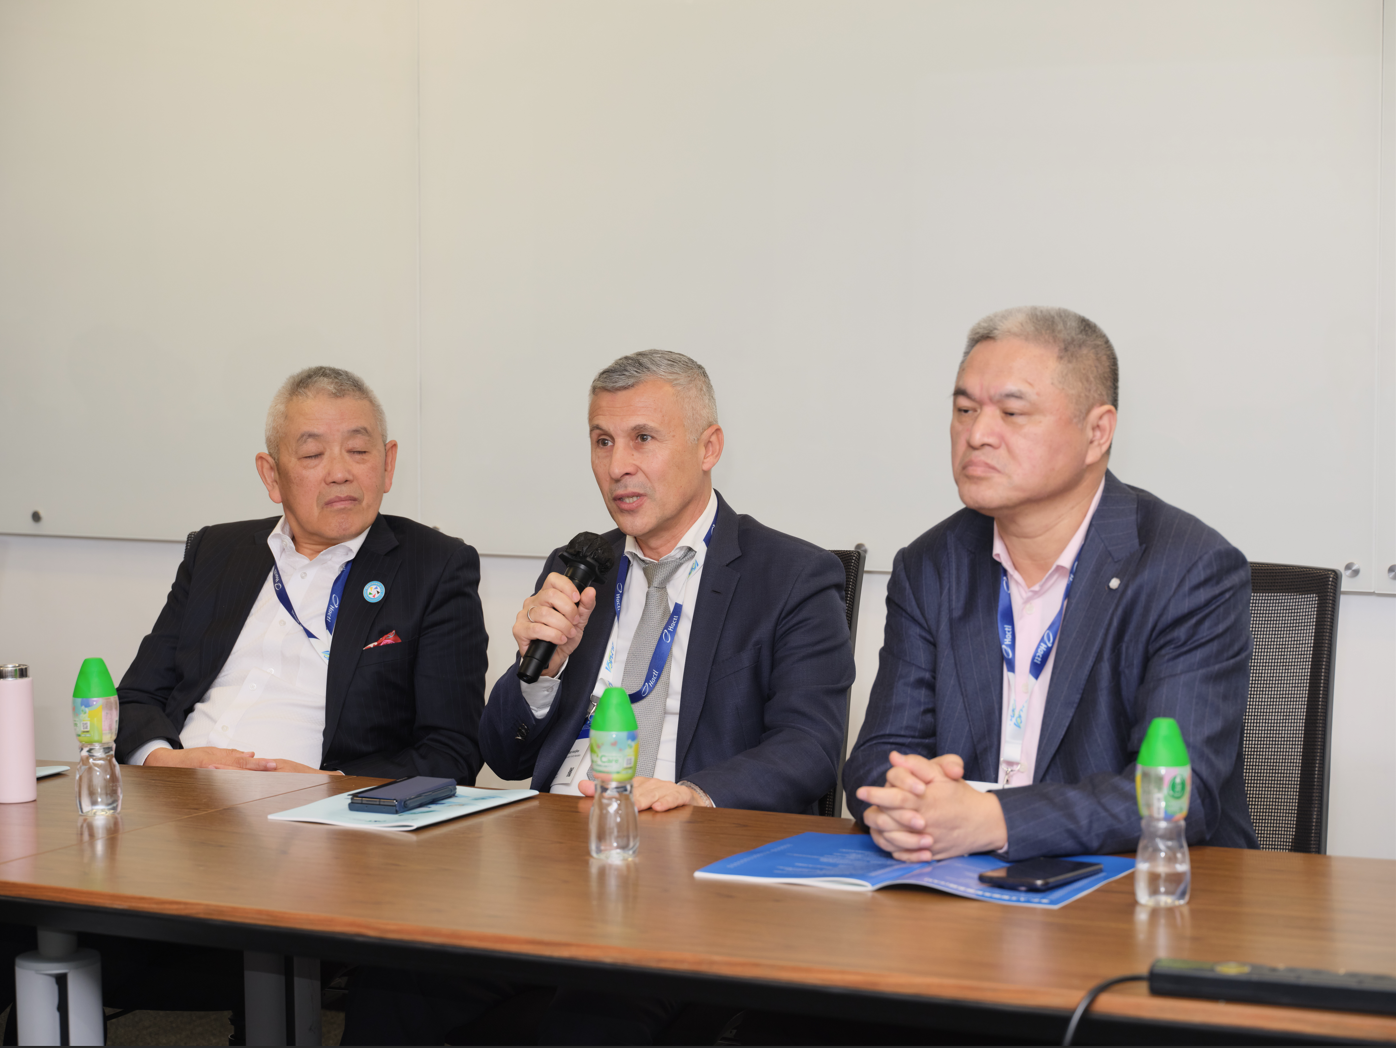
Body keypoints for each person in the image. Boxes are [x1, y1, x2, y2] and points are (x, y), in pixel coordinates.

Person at [343, 349, 855, 1046]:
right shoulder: (583, 565)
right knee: (394, 983)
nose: (618, 466)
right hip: (552, 860)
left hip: (684, 872)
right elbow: (503, 756)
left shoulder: (791, 576)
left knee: (592, 1018)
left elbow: (810, 745)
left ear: (709, 447)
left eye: (643, 439)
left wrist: (693, 793)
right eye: (602, 441)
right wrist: (541, 670)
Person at [844, 306, 1257, 863]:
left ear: (1097, 432)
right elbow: (877, 755)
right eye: (964, 410)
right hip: (960, 879)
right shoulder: (932, 564)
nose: (977, 435)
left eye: (1012, 413)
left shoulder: (1189, 569)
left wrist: (994, 820)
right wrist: (905, 798)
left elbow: (1178, 792)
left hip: (1139, 886)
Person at [117, 365, 487, 780]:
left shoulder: (435, 567)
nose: (340, 473)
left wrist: (332, 789)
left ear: (388, 465)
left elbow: (451, 750)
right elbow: (135, 699)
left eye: (358, 451)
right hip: (175, 795)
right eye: (313, 455)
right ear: (271, 475)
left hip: (317, 811)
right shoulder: (216, 552)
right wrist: (164, 761)